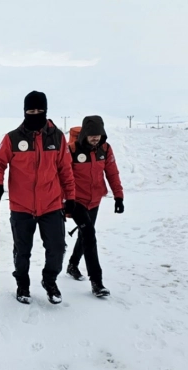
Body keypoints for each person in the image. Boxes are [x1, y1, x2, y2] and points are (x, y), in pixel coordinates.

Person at [0, 90, 76, 305]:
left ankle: (50, 281)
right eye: (31, 110)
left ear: (46, 111)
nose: (35, 113)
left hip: (51, 204)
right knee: (22, 250)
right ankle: (23, 284)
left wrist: (71, 198)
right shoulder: (12, 138)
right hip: (22, 205)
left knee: (56, 248)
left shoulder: (57, 137)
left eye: (39, 110)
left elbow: (65, 169)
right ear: (25, 111)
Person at [65, 115, 124, 297]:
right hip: (77, 201)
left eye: (98, 134)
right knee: (89, 235)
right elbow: (64, 176)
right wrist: (65, 201)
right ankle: (96, 282)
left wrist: (118, 196)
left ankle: (73, 265)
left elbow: (112, 173)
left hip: (95, 200)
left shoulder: (105, 149)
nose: (95, 138)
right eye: (91, 135)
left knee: (85, 234)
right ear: (84, 134)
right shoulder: (72, 150)